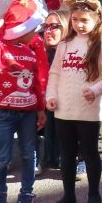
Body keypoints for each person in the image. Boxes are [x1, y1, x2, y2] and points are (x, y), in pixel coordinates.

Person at [45, 0, 102, 203]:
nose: (79, 24)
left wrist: (95, 90)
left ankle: (94, 194)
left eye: (84, 20)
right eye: (75, 20)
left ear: (97, 20)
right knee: (66, 154)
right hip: (64, 107)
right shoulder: (64, 44)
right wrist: (51, 95)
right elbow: (55, 72)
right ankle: (68, 195)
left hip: (89, 109)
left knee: (90, 152)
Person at [0, 0, 49, 203]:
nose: (36, 33)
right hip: (4, 113)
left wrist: (40, 109)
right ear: (21, 30)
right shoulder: (0, 49)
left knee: (29, 154)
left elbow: (36, 84)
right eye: (32, 29)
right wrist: (2, 21)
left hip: (28, 113)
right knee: (2, 157)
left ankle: (26, 193)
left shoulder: (31, 52)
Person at [39, 9, 68, 172]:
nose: (48, 31)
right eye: (46, 26)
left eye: (54, 26)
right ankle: (43, 157)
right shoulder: (40, 52)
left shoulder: (73, 52)